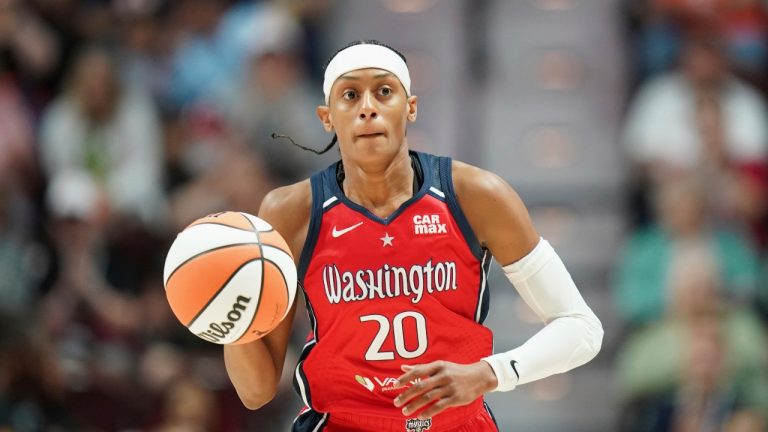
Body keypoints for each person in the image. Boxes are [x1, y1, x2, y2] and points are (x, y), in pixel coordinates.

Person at [223, 40, 604, 432]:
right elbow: (256, 391)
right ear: (327, 116)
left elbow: (581, 327)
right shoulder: (289, 212)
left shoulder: (477, 195)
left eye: (384, 92)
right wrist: (223, 311)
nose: (367, 107)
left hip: (455, 424)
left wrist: (490, 372)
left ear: (411, 107)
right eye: (350, 95)